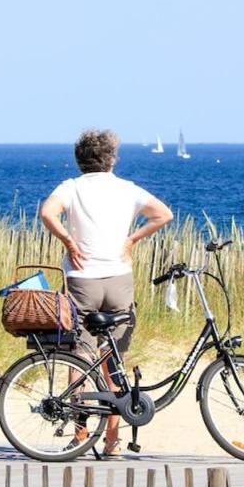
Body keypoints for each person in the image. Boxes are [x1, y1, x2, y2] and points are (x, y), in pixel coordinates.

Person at [39, 128, 174, 456]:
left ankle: (81, 433)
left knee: (79, 356)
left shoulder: (71, 188)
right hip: (118, 279)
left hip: (82, 280)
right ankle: (112, 440)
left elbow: (47, 213)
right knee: (113, 358)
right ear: (111, 159)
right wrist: (131, 240)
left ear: (80, 159)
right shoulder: (127, 189)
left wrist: (69, 242)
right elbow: (163, 214)